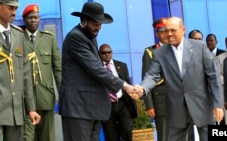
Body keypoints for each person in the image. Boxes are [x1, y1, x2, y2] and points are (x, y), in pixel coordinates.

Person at [135, 16, 224, 141]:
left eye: (173, 30)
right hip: (176, 109)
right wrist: (142, 88)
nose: (169, 34)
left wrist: (218, 104)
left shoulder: (200, 47)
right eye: (166, 31)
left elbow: (213, 76)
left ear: (183, 30)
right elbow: (152, 75)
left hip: (202, 106)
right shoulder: (159, 53)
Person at [58, 2, 136, 141]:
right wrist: (125, 86)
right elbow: (96, 69)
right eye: (95, 23)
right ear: (84, 20)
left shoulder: (89, 37)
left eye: (100, 24)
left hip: (90, 108)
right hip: (78, 108)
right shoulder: (76, 37)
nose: (98, 27)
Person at [0, 0, 41, 141]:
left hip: (15, 110)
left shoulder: (18, 35)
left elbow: (25, 74)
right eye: (10, 8)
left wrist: (31, 108)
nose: (14, 12)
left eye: (16, 8)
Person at [21, 4, 62, 141]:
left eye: (36, 17)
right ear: (24, 20)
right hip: (24, 99)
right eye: (30, 18)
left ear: (39, 19)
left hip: (45, 96)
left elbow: (57, 69)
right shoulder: (18, 39)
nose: (33, 20)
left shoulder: (48, 38)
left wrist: (62, 93)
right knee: (27, 137)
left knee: (48, 137)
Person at [99, 44, 137, 141]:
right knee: (111, 136)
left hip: (122, 103)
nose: (107, 55)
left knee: (127, 131)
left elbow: (127, 83)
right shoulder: (97, 68)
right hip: (106, 106)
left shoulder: (122, 66)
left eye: (109, 52)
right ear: (99, 54)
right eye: (103, 53)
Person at [141, 17, 168, 141]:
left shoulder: (177, 49)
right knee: (163, 135)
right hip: (160, 100)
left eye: (167, 31)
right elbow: (146, 79)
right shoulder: (150, 52)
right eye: (162, 31)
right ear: (157, 34)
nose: (166, 34)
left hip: (179, 99)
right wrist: (149, 105)